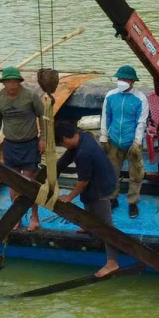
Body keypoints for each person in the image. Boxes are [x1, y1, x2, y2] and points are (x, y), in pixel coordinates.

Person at [54, 118, 123, 278]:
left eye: (62, 144)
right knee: (87, 197)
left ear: (65, 139)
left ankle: (112, 262)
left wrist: (70, 197)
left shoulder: (84, 153)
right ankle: (89, 224)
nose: (64, 147)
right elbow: (67, 157)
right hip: (98, 179)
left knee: (106, 225)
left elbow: (83, 182)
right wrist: (54, 170)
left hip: (101, 186)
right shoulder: (83, 136)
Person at [0, 65, 48, 230]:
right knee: (13, 182)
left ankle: (34, 217)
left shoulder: (30, 96)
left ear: (19, 82)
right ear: (3, 83)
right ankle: (16, 216)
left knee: (29, 182)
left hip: (30, 144)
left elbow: (42, 116)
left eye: (15, 82)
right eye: (8, 82)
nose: (12, 85)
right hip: (10, 145)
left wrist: (43, 138)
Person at [100, 64, 150, 218]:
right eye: (119, 78)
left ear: (131, 81)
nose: (120, 81)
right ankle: (112, 198)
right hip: (114, 140)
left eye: (124, 79)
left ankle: (133, 202)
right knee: (112, 172)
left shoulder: (140, 99)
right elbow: (106, 117)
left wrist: (136, 142)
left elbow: (141, 122)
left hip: (132, 141)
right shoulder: (110, 96)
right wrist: (103, 137)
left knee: (136, 174)